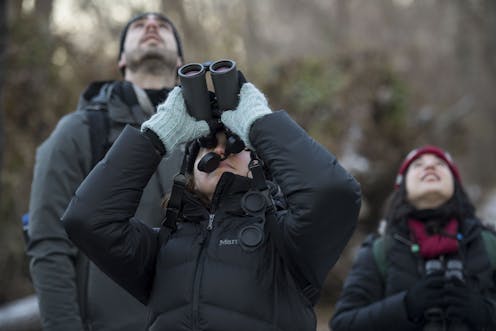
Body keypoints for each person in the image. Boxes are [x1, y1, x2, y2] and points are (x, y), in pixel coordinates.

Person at [61, 80, 362, 330]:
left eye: (235, 143)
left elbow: (335, 193)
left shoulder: (287, 240)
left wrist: (258, 122)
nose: (220, 150)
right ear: (189, 169)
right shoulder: (162, 248)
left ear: (259, 161)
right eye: (207, 144)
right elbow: (87, 219)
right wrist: (156, 136)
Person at [27, 12, 184, 331]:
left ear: (182, 60)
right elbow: (49, 243)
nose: (152, 26)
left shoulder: (210, 137)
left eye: (163, 26)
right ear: (122, 59)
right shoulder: (80, 131)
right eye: (139, 26)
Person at [330, 145, 496, 331]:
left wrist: (484, 312)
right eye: (417, 165)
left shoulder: (489, 243)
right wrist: (405, 306)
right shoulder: (380, 249)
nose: (430, 167)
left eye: (440, 164)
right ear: (403, 186)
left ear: (455, 183)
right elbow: (342, 324)